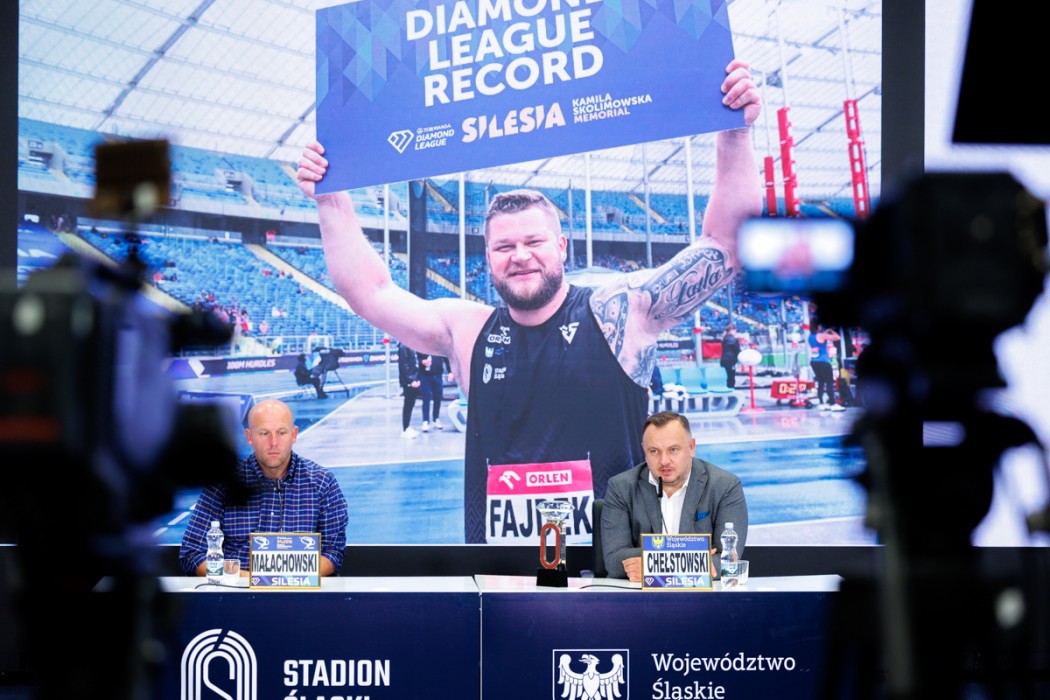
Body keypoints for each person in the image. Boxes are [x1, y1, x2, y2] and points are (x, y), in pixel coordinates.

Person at [296, 60, 761, 542]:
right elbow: (370, 293)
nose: (520, 256)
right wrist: (330, 200)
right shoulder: (467, 330)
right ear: (488, 258)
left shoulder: (621, 311)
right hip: (501, 575)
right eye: (504, 246)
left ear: (561, 247)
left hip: (610, 572)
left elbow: (725, 247)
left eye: (534, 242)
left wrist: (734, 132)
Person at [178, 399, 348, 576]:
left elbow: (333, 553)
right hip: (237, 590)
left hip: (301, 591)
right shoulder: (223, 483)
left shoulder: (322, 482)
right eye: (264, 433)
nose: (273, 442)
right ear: (249, 437)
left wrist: (288, 580)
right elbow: (192, 554)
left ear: (294, 435)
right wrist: (248, 580)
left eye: (281, 433)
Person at [601, 411, 748, 582]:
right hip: (639, 595)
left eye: (673, 450)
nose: (664, 460)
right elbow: (613, 560)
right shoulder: (621, 487)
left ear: (691, 447)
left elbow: (727, 561)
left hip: (701, 596)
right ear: (644, 451)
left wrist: (652, 565)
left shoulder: (725, 486)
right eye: (654, 451)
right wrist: (693, 559)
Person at [808, 320, 844, 411]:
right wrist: (831, 330)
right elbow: (837, 337)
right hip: (823, 362)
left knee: (821, 382)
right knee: (829, 382)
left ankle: (821, 403)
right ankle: (832, 403)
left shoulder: (810, 337)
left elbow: (819, 340)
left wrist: (825, 333)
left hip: (814, 362)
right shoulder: (821, 335)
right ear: (818, 326)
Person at [418, 353, 452, 432]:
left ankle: (436, 418)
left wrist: (450, 372)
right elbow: (417, 358)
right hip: (425, 375)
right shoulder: (423, 347)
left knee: (438, 397)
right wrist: (422, 361)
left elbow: (446, 358)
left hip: (438, 374)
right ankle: (425, 420)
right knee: (426, 398)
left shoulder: (439, 348)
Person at [398, 341, 422, 439]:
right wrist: (410, 380)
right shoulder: (404, 347)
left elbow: (415, 364)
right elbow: (404, 366)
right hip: (408, 381)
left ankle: (407, 426)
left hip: (414, 379)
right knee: (408, 405)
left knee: (411, 404)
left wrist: (417, 378)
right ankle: (405, 428)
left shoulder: (411, 346)